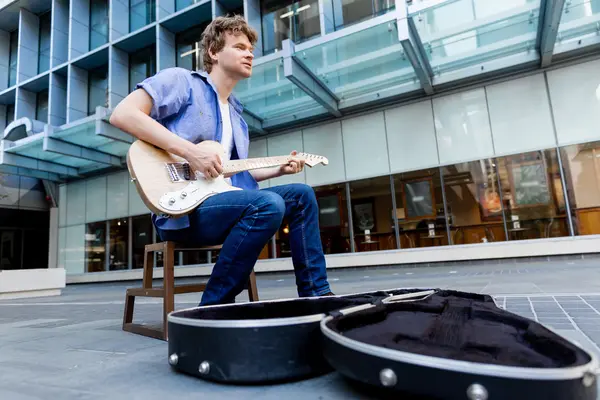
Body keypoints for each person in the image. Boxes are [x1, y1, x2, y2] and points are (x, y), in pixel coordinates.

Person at [109, 15, 334, 305]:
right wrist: (190, 151)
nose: (249, 53)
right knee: (268, 205)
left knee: (301, 195)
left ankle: (317, 296)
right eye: (240, 47)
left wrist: (278, 169)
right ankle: (211, 307)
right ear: (214, 52)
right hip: (181, 212)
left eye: (250, 48)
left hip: (223, 203)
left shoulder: (238, 118)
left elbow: (228, 176)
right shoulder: (182, 82)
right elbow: (122, 114)